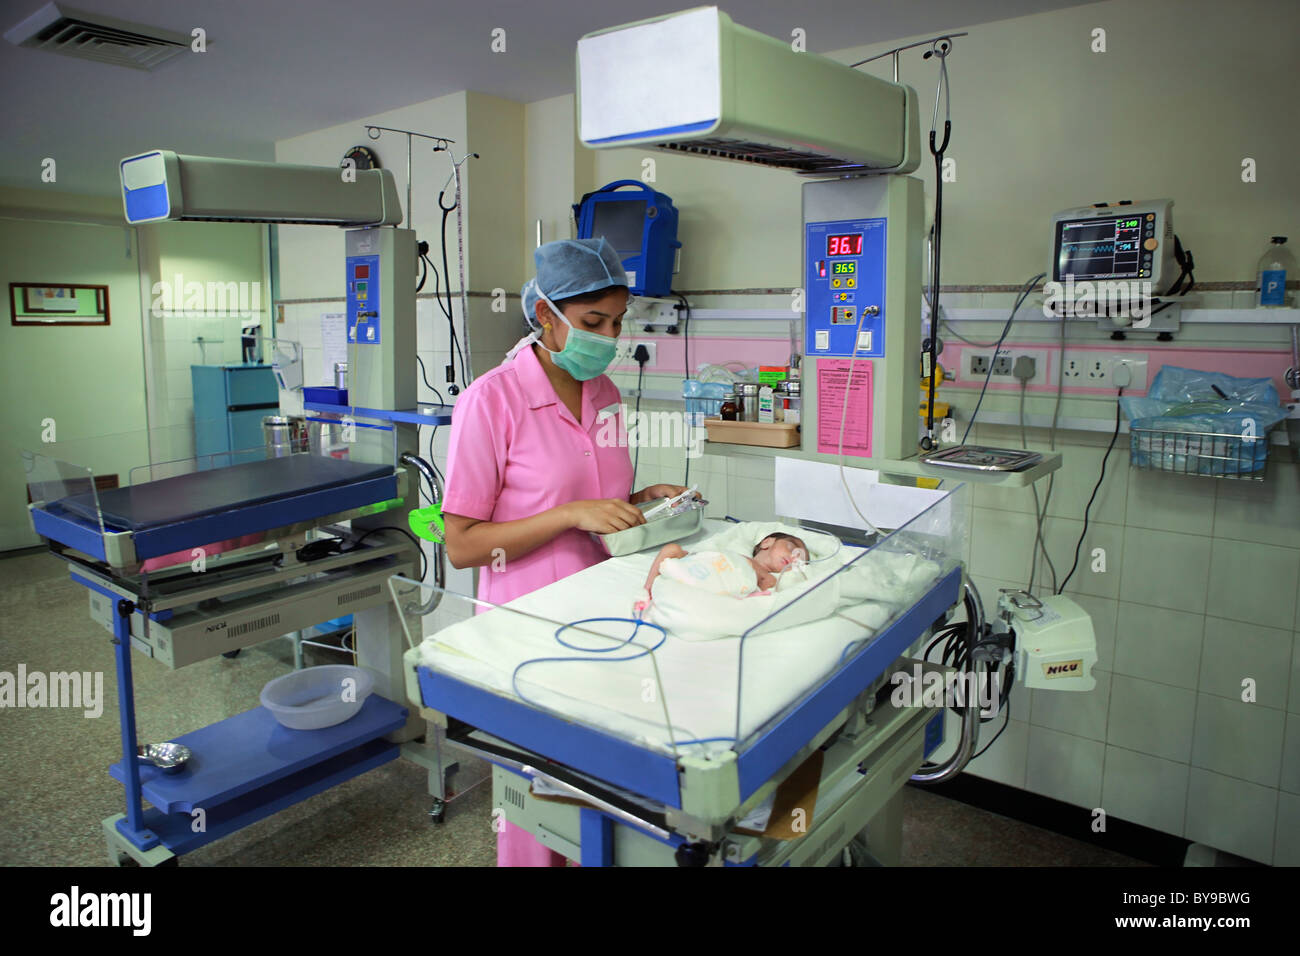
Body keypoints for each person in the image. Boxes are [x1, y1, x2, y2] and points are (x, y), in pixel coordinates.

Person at [440, 237, 690, 867]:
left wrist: (641, 499)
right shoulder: (490, 401)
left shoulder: (604, 392)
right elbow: (462, 544)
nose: (608, 337)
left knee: (597, 798)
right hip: (526, 632)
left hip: (605, 619)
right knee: (537, 809)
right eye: (592, 323)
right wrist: (569, 515)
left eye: (616, 322)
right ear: (545, 316)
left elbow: (594, 499)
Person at [642, 532, 809, 599]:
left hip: (714, 586)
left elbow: (769, 591)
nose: (794, 558)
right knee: (672, 549)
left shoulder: (766, 577)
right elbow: (706, 556)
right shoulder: (733, 552)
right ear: (767, 542)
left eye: (799, 561)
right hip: (702, 564)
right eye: (791, 548)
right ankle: (648, 589)